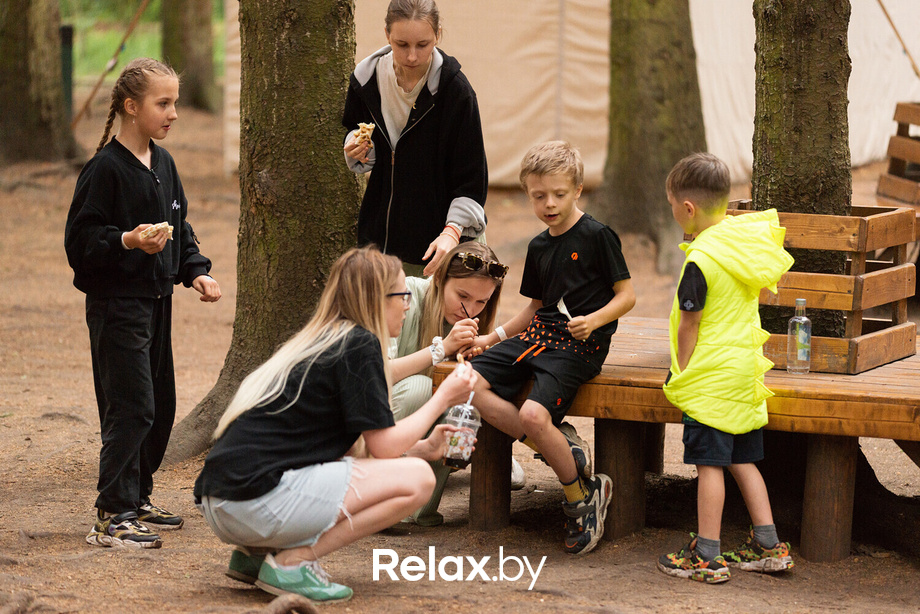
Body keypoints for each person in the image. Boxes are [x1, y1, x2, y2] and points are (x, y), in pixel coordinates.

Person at [194, 247, 478, 603]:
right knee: (419, 480)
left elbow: (345, 449)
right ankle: (292, 563)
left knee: (412, 464)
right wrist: (444, 397)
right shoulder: (360, 345)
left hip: (224, 502)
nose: (408, 304)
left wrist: (424, 447)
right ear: (376, 299)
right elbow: (383, 448)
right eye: (401, 295)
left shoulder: (326, 339)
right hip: (253, 504)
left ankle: (256, 555)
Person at [64, 58, 222, 549]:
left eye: (174, 102)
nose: (173, 112)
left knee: (160, 404)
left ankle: (138, 496)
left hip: (157, 305)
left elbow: (182, 226)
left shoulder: (164, 164)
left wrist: (196, 270)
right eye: (164, 103)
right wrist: (128, 241)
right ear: (131, 107)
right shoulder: (104, 169)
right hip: (117, 307)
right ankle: (111, 515)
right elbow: (81, 241)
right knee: (130, 407)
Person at [468, 141, 636, 555]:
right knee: (467, 384)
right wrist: (493, 338)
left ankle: (581, 497)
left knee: (532, 413)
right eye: (538, 195)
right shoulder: (539, 246)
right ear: (527, 193)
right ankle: (560, 446)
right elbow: (535, 307)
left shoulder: (598, 236)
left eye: (559, 194)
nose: (549, 203)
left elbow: (627, 295)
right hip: (537, 339)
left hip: (579, 347)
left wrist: (595, 320)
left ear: (578, 189)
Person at [656, 153, 795, 583]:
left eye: (673, 206)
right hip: (744, 371)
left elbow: (690, 323)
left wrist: (683, 369)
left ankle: (707, 555)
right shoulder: (740, 242)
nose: (674, 213)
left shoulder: (700, 260)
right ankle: (769, 545)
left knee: (710, 465)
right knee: (743, 460)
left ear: (689, 209)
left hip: (711, 376)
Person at [342, 0, 488, 277]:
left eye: (422, 45)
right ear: (387, 35)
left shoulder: (457, 93)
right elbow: (358, 136)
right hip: (382, 243)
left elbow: (472, 181)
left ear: (438, 35)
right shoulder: (365, 81)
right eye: (401, 44)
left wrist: (452, 232)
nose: (411, 56)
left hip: (441, 245)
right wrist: (357, 149)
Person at [389, 242, 525, 526]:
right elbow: (377, 375)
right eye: (462, 295)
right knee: (421, 388)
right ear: (439, 279)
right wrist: (441, 349)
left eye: (482, 302)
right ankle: (383, 496)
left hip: (426, 431)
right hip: (378, 420)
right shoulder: (405, 296)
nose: (470, 310)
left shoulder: (475, 322)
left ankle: (417, 509)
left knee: (466, 399)